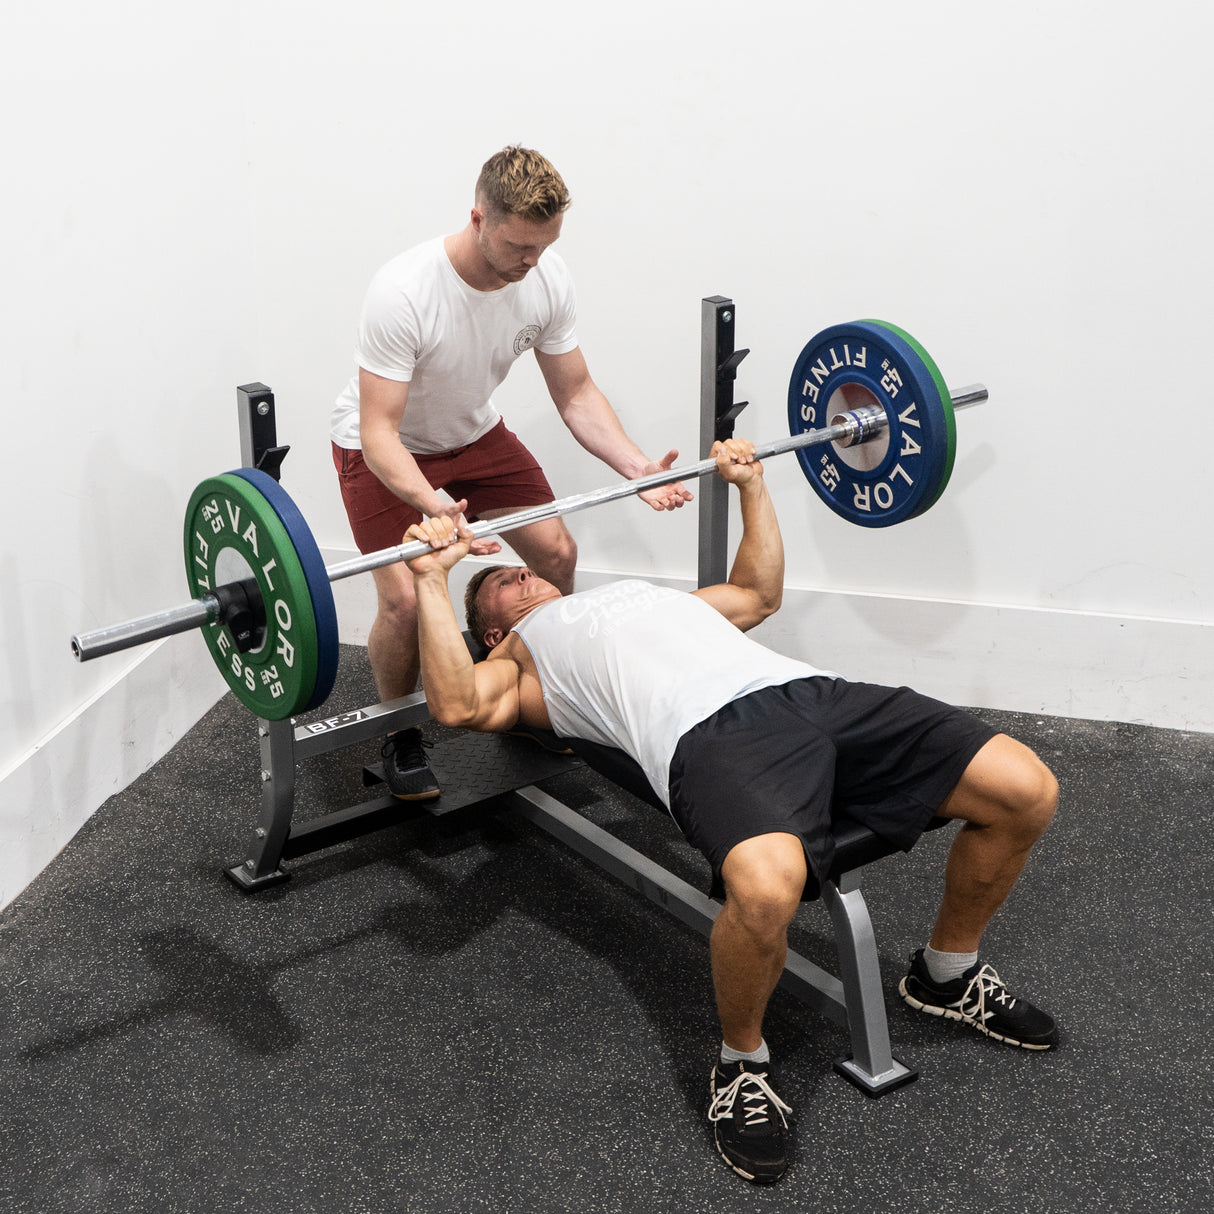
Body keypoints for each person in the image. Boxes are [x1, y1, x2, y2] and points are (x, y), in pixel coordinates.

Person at [402, 438, 1059, 1186]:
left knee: (1025, 789)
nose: (525, 574)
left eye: (523, 569)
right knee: (766, 888)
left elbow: (756, 595)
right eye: (506, 586)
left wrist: (751, 486)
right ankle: (742, 1066)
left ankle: (946, 974)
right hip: (710, 741)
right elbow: (454, 704)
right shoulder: (520, 660)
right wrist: (430, 579)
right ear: (491, 631)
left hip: (816, 695)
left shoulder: (645, 597)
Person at [331, 145, 691, 799]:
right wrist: (432, 502)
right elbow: (380, 430)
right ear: (478, 217)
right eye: (520, 245)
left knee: (556, 552)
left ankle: (533, 690)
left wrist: (635, 466)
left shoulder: (546, 279)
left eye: (543, 246)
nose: (532, 262)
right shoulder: (404, 291)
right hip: (385, 450)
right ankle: (401, 733)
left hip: (474, 434)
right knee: (408, 600)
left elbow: (576, 393)